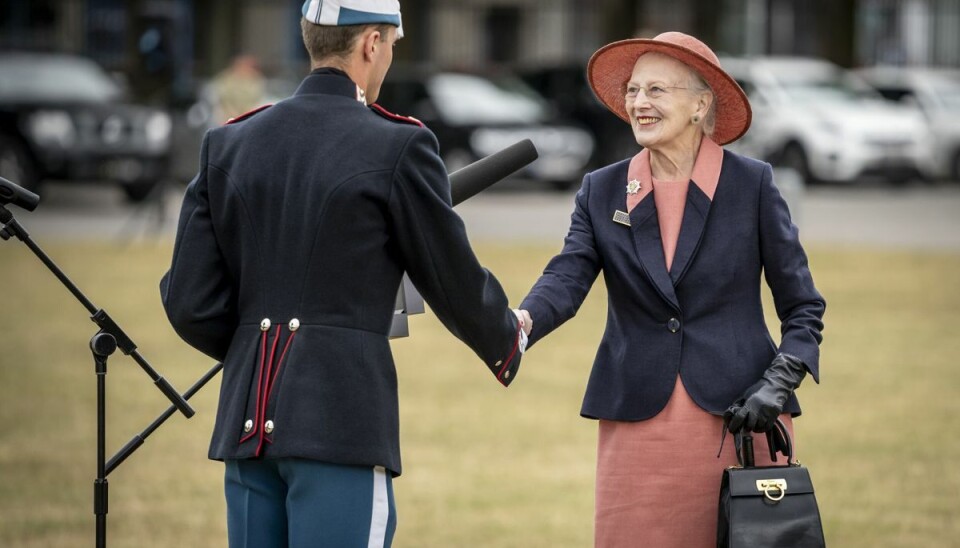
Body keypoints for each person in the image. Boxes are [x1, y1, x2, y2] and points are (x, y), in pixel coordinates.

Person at [160, 1, 528, 546]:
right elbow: (451, 275)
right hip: (340, 419)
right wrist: (507, 336)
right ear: (371, 43)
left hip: (246, 425)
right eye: (392, 47)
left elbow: (190, 301)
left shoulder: (230, 143)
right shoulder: (397, 142)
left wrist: (253, 351)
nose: (388, 61)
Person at [514, 32, 825, 547]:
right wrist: (522, 321)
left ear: (701, 105)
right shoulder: (602, 188)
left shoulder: (753, 185)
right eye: (634, 91)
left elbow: (803, 306)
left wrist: (780, 381)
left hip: (741, 419)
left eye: (657, 90)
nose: (639, 102)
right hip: (636, 420)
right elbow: (567, 276)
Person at [211, 53, 266, 122]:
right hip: (228, 115)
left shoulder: (255, 79)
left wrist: (246, 113)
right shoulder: (226, 79)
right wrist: (231, 112)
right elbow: (223, 98)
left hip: (248, 115)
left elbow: (256, 99)